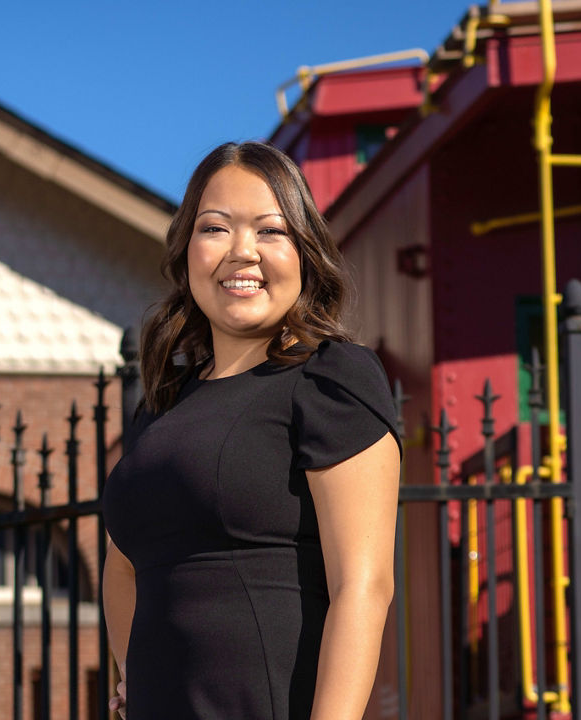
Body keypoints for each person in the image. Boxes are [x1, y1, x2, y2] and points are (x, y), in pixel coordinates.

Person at [101, 141, 401, 720]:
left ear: (305, 254)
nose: (242, 253)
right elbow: (122, 561)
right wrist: (132, 676)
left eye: (270, 231)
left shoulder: (331, 378)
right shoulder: (162, 405)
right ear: (189, 249)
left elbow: (363, 587)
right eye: (216, 228)